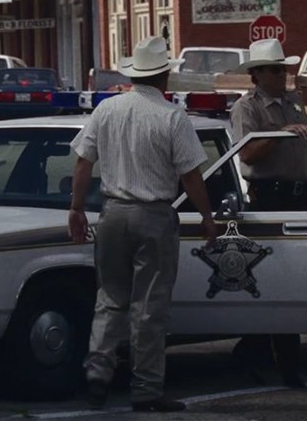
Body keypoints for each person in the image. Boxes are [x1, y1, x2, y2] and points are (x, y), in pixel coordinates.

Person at [68, 36, 218, 412]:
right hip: (153, 215)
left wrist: (76, 207)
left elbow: (83, 162)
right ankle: (147, 388)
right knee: (149, 306)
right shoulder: (171, 116)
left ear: (134, 74)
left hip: (112, 213)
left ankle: (97, 373)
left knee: (110, 298)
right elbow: (191, 176)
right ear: (164, 76)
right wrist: (206, 216)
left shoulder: (107, 110)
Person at [228, 38, 307, 388]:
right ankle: (274, 360)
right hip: (268, 199)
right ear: (257, 75)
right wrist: (280, 133)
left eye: (284, 68)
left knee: (296, 280)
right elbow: (247, 155)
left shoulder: (294, 102)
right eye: (275, 69)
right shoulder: (248, 108)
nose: (282, 75)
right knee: (273, 280)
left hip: (298, 197)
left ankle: (263, 355)